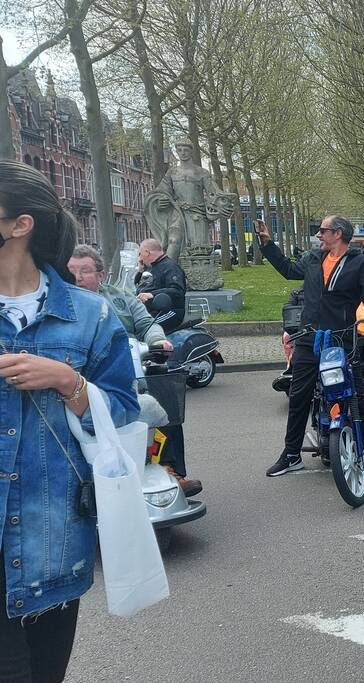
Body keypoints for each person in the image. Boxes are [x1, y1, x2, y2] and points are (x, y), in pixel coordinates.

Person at [0, 160, 139, 679]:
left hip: (52, 541)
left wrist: (68, 381)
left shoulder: (90, 315)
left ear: (21, 224)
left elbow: (123, 408)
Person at [254, 216, 364, 476]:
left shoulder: (360, 263)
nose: (318, 235)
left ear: (337, 233)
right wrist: (268, 244)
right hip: (309, 339)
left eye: (322, 230)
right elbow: (287, 269)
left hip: (341, 340)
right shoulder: (313, 259)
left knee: (357, 397)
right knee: (298, 398)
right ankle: (291, 454)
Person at [67, 245, 202, 497]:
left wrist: (158, 341)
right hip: (80, 380)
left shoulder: (120, 298)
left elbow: (146, 324)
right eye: (71, 271)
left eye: (84, 271)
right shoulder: (61, 304)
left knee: (166, 398)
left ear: (100, 274)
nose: (77, 277)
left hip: (127, 371)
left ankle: (169, 468)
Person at [134, 238, 187, 332]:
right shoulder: (151, 267)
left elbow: (178, 291)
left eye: (140, 254)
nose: (140, 258)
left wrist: (152, 294)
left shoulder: (170, 267)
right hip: (148, 311)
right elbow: (140, 286)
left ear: (147, 252)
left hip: (168, 311)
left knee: (144, 327)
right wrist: (140, 271)